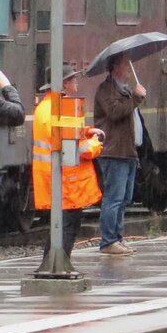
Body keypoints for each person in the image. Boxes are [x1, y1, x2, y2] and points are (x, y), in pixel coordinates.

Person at [32, 65, 103, 259]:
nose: (76, 83)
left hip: (57, 179)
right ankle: (57, 265)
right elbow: (76, 148)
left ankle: (53, 263)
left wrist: (87, 131)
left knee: (61, 226)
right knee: (66, 227)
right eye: (73, 79)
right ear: (64, 84)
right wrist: (95, 144)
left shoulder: (47, 108)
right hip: (65, 181)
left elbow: (65, 135)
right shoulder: (57, 110)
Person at [94, 53, 146, 257]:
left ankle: (117, 238)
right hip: (114, 151)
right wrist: (136, 98)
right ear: (115, 67)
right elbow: (115, 112)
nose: (129, 69)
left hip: (127, 151)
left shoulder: (122, 90)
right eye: (126, 65)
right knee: (113, 198)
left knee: (124, 198)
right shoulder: (106, 90)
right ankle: (108, 241)